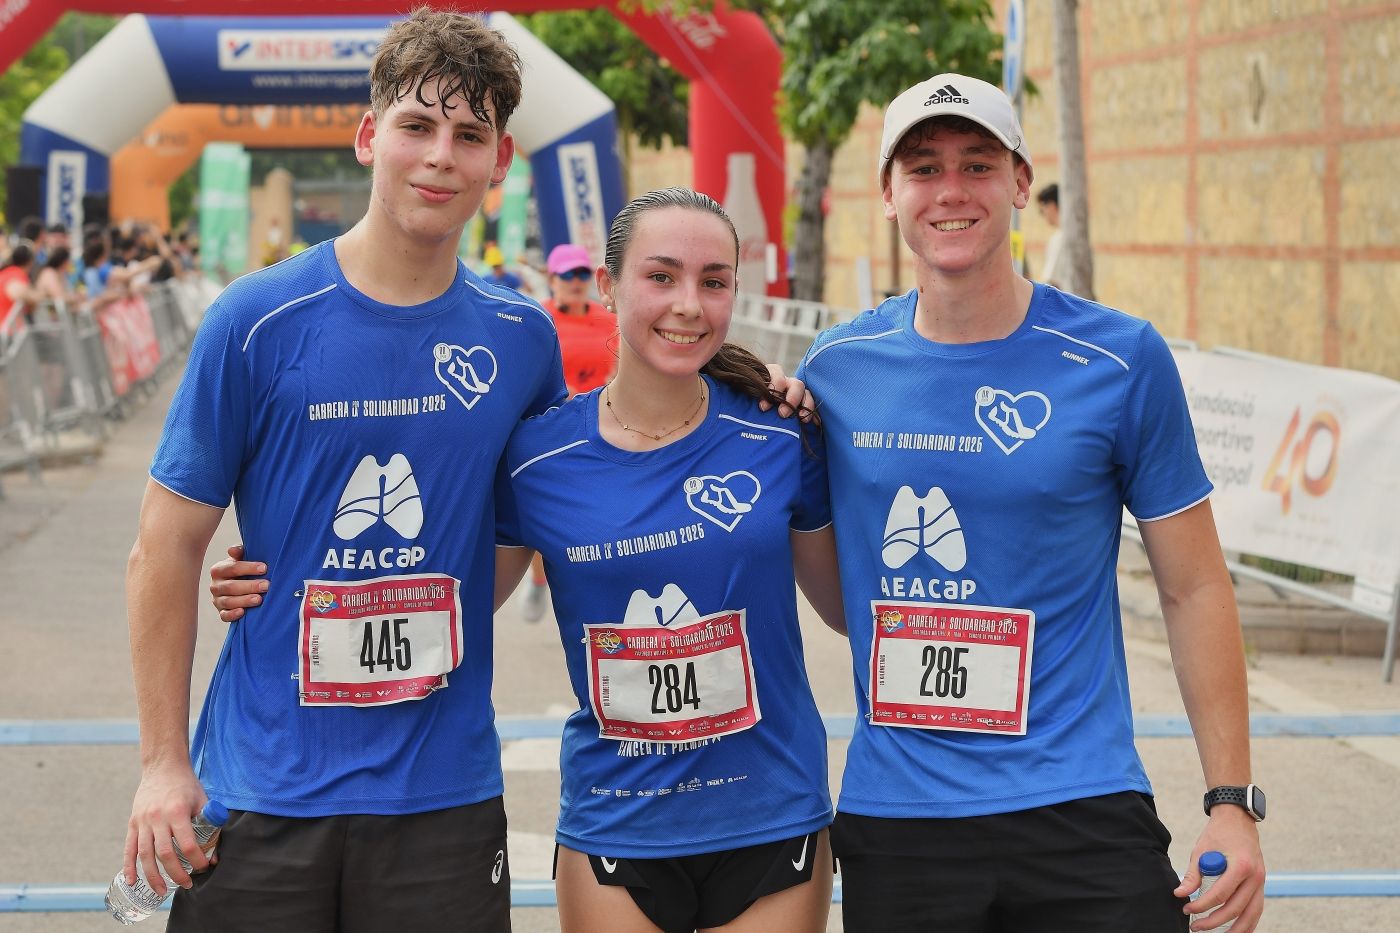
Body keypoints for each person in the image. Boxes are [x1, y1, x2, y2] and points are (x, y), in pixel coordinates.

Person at [211, 188, 844, 933]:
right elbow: (454, 595)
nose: (688, 304)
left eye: (714, 281)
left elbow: (846, 605)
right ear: (606, 286)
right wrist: (284, 578)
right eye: (661, 276)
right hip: (616, 825)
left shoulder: (779, 432)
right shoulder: (539, 456)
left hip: (768, 813)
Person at [122, 11, 567, 931]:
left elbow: (528, 520)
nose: (441, 156)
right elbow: (162, 548)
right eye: (417, 126)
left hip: (441, 799)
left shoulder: (522, 338)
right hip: (264, 789)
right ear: (371, 136)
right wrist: (163, 762)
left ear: (502, 160)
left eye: (469, 135)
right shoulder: (257, 320)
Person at [795, 74, 1266, 932]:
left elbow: (1195, 586)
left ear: (1019, 182)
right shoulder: (836, 369)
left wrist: (1232, 800)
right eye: (925, 167)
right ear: (890, 191)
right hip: (903, 819)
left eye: (978, 166)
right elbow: (840, 604)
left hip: (1081, 807)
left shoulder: (1121, 359)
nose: (951, 191)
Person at [518, 241, 619, 622]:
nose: (576, 282)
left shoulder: (608, 319)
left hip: (604, 425)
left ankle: (595, 584)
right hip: (552, 428)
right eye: (568, 275)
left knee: (602, 511)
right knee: (549, 516)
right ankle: (540, 580)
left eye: (581, 274)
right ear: (552, 279)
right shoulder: (537, 319)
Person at [1036, 182, 1066, 290]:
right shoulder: (1071, 236)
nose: (1043, 215)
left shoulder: (1059, 239)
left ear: (1051, 206)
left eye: (1042, 210)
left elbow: (1050, 281)